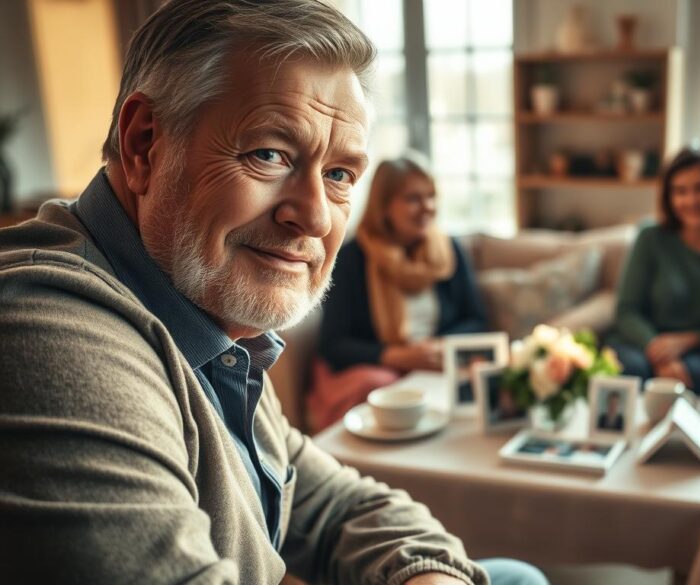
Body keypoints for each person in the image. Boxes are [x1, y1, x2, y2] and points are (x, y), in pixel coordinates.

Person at [0, 2, 546, 584]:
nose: (313, 217)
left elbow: (329, 503)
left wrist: (426, 574)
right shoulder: (51, 334)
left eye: (339, 175)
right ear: (145, 145)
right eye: (269, 154)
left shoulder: (209, 322)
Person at [308, 153, 487, 431]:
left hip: (434, 360)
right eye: (413, 199)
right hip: (379, 366)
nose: (427, 207)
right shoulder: (352, 259)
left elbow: (476, 320)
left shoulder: (449, 252)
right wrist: (398, 357)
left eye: (431, 196)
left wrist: (438, 346)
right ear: (384, 207)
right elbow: (333, 345)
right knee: (380, 385)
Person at [608, 141, 700, 394]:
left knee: (693, 374)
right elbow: (626, 310)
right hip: (640, 343)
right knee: (631, 368)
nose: (691, 200)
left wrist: (689, 340)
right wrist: (656, 349)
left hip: (698, 353)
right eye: (680, 191)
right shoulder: (650, 238)